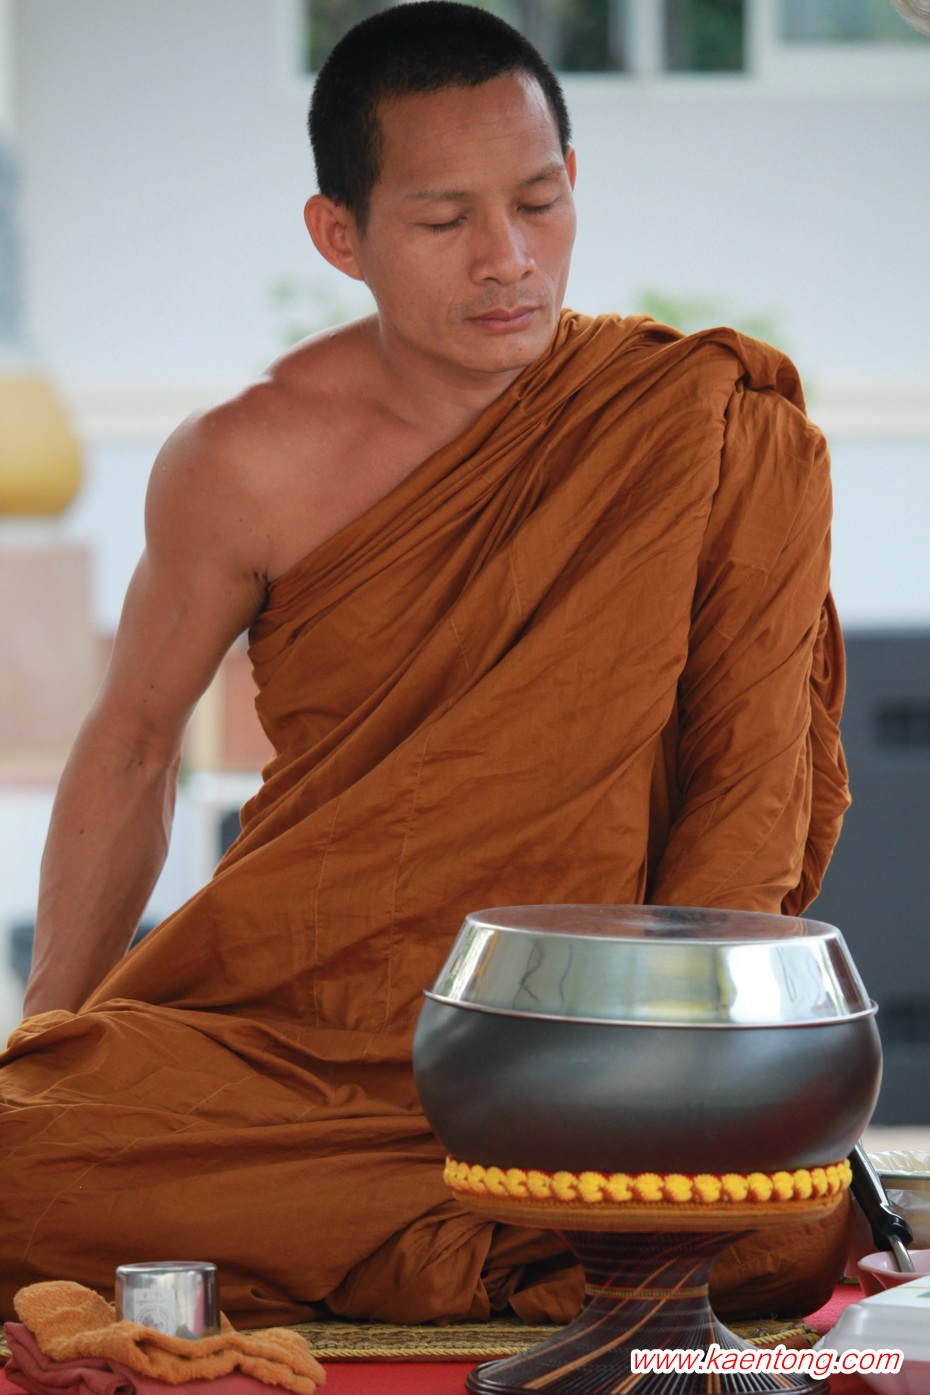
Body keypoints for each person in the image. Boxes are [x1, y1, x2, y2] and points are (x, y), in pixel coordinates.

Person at [1, 2, 851, 1327]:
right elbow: (132, 745)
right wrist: (47, 1046)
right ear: (339, 234)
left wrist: (679, 1080)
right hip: (290, 1029)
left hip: (580, 1043)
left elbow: (749, 789)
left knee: (770, 1225)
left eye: (539, 203)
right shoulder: (243, 464)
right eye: (445, 221)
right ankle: (523, 1254)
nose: (509, 260)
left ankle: (451, 1238)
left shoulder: (709, 427)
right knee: (22, 1155)